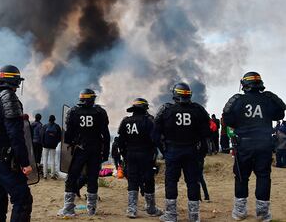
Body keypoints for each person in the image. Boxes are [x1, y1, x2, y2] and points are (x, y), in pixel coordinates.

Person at [223, 72, 286, 221]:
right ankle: (263, 214)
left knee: (241, 177)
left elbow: (228, 119)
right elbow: (279, 114)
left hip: (244, 144)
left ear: (244, 85)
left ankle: (239, 212)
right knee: (263, 176)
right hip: (264, 144)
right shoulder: (268, 99)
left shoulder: (238, 100)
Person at [0, 65, 33, 222]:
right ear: (14, 81)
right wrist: (24, 163)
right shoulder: (8, 98)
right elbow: (15, 135)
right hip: (4, 159)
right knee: (22, 200)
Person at [153, 82, 210, 222]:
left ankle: (171, 215)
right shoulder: (198, 110)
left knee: (171, 182)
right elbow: (206, 134)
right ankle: (194, 216)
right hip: (191, 151)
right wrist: (201, 153)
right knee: (193, 182)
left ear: (174, 95)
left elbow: (155, 134)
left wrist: (163, 150)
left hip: (172, 151)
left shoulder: (165, 110)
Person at [58, 89, 110, 218]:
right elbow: (106, 135)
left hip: (79, 150)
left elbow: (68, 134)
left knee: (72, 177)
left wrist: (72, 142)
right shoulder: (100, 112)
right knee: (92, 178)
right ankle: (91, 210)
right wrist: (105, 153)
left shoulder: (73, 111)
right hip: (96, 150)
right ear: (92, 99)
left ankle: (68, 209)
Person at [117, 98, 162, 218]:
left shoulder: (126, 121)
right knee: (148, 180)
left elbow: (120, 141)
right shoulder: (149, 120)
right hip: (146, 155)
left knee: (132, 180)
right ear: (144, 109)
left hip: (130, 155)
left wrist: (125, 154)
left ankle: (132, 209)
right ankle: (151, 209)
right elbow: (156, 139)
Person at [41, 115, 62, 179]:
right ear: (54, 119)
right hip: (53, 146)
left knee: (45, 160)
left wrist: (43, 144)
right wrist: (56, 143)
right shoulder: (57, 127)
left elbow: (42, 136)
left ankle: (45, 175)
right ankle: (52, 175)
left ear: (49, 119)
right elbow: (60, 137)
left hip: (45, 145)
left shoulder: (45, 126)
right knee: (53, 160)